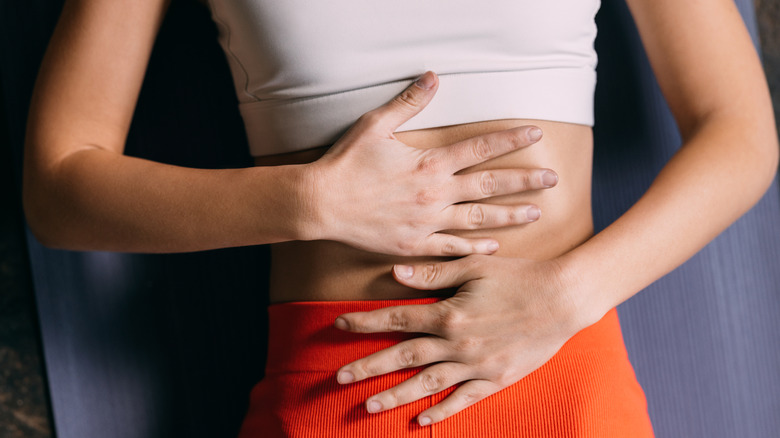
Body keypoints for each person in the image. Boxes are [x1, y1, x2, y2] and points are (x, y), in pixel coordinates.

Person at [22, 0, 777, 437]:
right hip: (343, 388)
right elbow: (59, 188)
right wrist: (312, 200)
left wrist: (568, 296)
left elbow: (740, 133)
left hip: (561, 375)